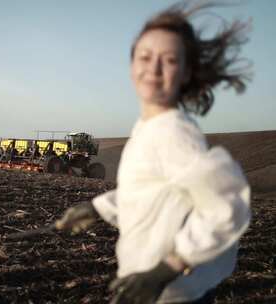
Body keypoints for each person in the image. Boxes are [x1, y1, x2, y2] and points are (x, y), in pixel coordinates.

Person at [55, 1, 252, 303]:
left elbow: (228, 206)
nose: (154, 68)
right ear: (132, 65)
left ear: (186, 72)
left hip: (172, 294)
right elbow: (151, 196)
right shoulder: (149, 127)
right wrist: (97, 209)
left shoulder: (173, 133)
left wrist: (168, 267)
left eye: (170, 59)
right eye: (144, 57)